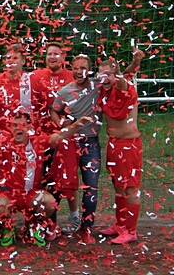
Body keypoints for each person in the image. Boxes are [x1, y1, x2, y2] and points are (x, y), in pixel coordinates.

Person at [0, 113, 92, 247]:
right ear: (9, 127)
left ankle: (35, 226)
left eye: (23, 125)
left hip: (32, 193)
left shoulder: (38, 141)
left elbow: (59, 136)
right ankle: (8, 228)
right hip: (10, 194)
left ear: (29, 127)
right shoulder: (4, 143)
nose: (18, 128)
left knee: (50, 203)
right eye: (15, 125)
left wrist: (78, 124)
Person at [50, 55, 100, 243]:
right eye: (76, 68)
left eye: (83, 68)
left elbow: (118, 77)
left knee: (91, 186)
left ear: (90, 69)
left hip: (91, 142)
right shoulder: (64, 92)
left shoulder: (97, 87)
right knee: (60, 184)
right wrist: (62, 124)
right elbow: (54, 109)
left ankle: (86, 229)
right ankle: (51, 225)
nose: (79, 71)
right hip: (69, 142)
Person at [97, 59, 142, 244]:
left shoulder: (124, 87)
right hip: (113, 144)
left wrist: (134, 62)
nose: (105, 77)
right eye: (102, 74)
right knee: (118, 186)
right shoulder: (103, 91)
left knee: (130, 188)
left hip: (128, 144)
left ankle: (131, 230)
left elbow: (125, 78)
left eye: (109, 74)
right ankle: (120, 225)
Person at [0, 44, 33, 133]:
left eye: (15, 58)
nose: (10, 61)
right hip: (4, 134)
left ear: (23, 61)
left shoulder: (31, 80)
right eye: (8, 58)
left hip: (26, 134)